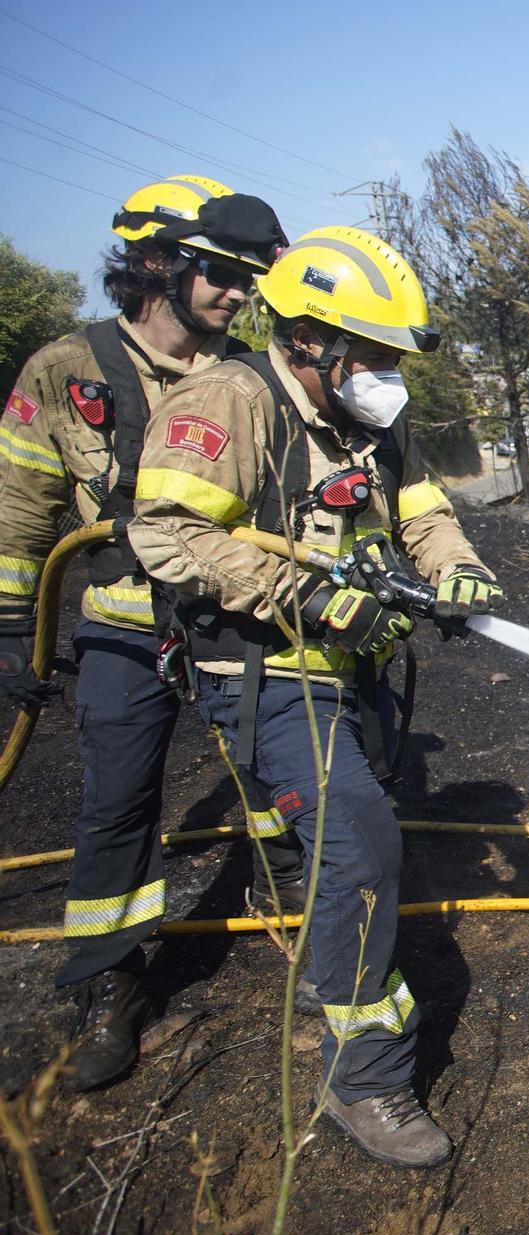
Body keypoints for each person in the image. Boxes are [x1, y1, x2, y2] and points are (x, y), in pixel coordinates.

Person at [128, 226, 504, 1167]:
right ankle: (365, 1080)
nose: (388, 374)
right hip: (265, 668)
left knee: (333, 837)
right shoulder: (225, 400)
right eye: (373, 353)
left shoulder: (368, 416)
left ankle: (313, 934)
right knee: (360, 843)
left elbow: (421, 509)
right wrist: (301, 592)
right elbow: (167, 533)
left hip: (348, 664)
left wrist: (457, 570)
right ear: (306, 339)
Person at [0, 175, 306, 1092]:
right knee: (117, 805)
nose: (236, 293)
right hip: (123, 631)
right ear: (152, 261)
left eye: (249, 278)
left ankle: (300, 900)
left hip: (234, 616)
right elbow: (20, 512)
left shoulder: (249, 377)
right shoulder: (65, 371)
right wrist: (15, 627)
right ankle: (110, 982)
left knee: (277, 767)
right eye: (220, 272)